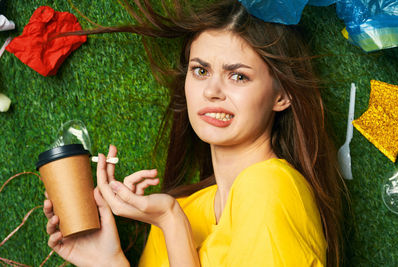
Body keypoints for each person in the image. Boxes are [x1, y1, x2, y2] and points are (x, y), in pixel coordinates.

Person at [43, 0, 345, 266]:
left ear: (282, 96)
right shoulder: (185, 207)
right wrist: (107, 260)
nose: (212, 91)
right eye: (200, 71)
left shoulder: (269, 189)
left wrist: (170, 222)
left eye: (238, 76)